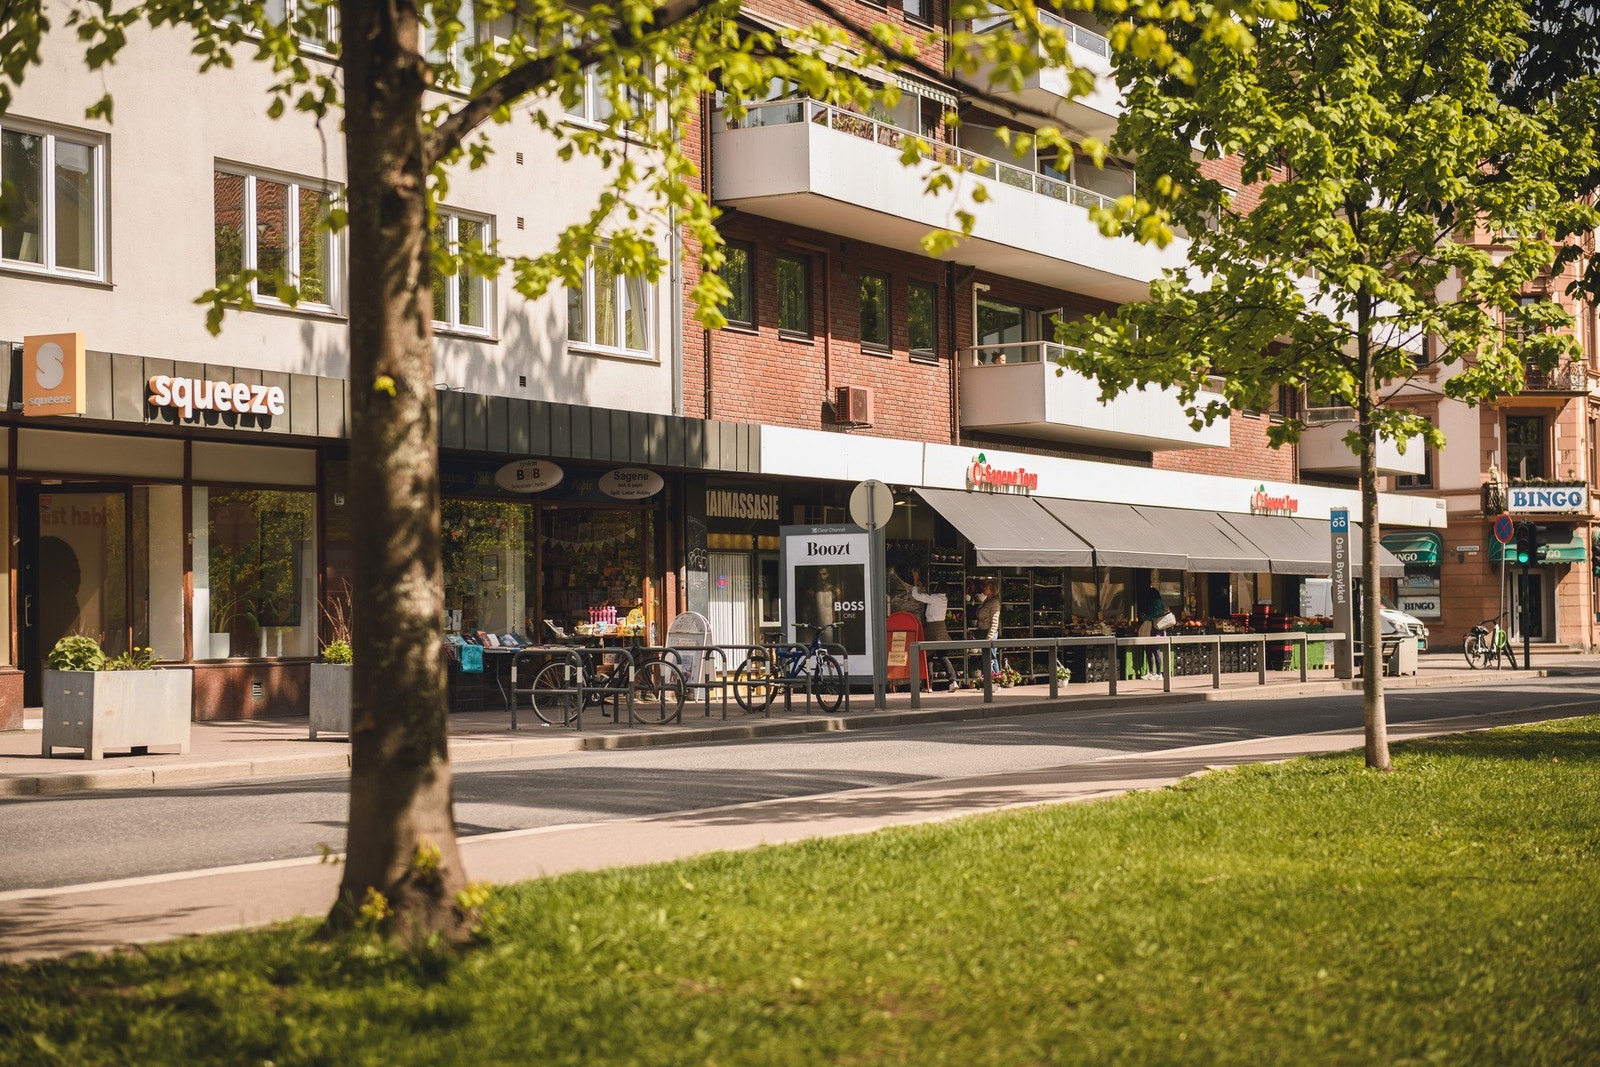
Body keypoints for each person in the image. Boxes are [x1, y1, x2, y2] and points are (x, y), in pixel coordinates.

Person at [909, 569, 961, 692]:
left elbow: (916, 596)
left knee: (929, 656)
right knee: (942, 656)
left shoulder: (935, 598)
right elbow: (927, 598)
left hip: (932, 629)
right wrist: (922, 589)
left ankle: (928, 685)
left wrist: (915, 582)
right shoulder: (943, 598)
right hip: (941, 628)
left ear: (938, 588)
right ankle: (952, 681)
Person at [1139, 586, 1169, 678]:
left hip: (1155, 629)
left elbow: (1156, 613)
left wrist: (1146, 617)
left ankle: (1159, 673)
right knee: (1148, 649)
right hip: (1152, 627)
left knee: (1155, 649)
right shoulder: (1155, 602)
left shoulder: (1157, 602)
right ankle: (1151, 672)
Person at [974, 579, 1002, 679]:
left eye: (987, 587)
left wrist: (989, 637)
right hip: (983, 631)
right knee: (988, 657)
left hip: (989, 632)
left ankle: (997, 678)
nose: (984, 588)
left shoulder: (994, 603)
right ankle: (989, 678)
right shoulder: (986, 601)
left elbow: (995, 622)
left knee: (991, 657)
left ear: (991, 590)